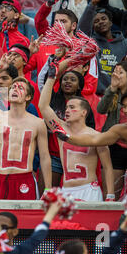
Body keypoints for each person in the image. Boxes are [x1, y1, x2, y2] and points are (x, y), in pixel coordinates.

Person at [39, 60, 115, 201]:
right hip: (66, 190)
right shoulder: (60, 129)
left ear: (84, 112)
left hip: (89, 190)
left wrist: (110, 195)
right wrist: (51, 77)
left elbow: (107, 167)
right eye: (67, 107)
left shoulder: (96, 136)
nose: (67, 110)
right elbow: (43, 107)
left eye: (72, 107)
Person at [97, 61, 127, 200]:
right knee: (111, 195)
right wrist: (112, 88)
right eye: (114, 72)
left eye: (120, 72)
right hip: (114, 147)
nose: (116, 75)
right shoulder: (113, 93)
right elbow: (101, 109)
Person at [77, 0, 127, 96]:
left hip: (119, 96)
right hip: (98, 95)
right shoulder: (91, 43)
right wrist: (92, 5)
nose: (101, 22)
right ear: (93, 26)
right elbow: (81, 32)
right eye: (96, 21)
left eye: (103, 19)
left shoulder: (126, 44)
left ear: (111, 22)